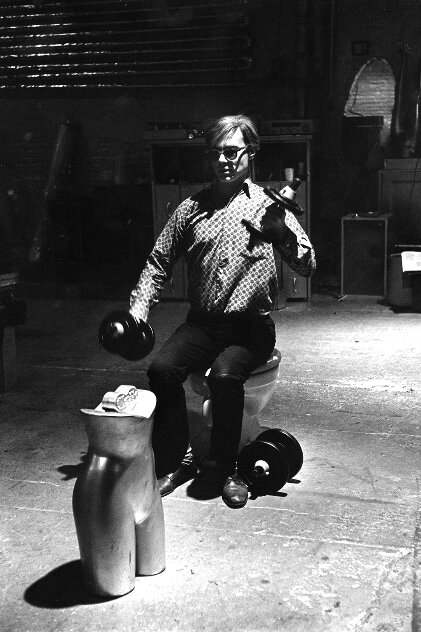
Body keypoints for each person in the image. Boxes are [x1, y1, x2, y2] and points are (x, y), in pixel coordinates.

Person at [129, 114, 315, 508]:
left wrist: (281, 235)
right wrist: (139, 309)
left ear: (251, 154)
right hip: (204, 323)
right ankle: (178, 459)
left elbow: (307, 265)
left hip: (251, 327)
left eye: (232, 152)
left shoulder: (269, 207)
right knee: (161, 370)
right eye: (215, 154)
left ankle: (229, 468)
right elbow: (158, 261)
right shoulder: (190, 209)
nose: (223, 161)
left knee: (226, 377)